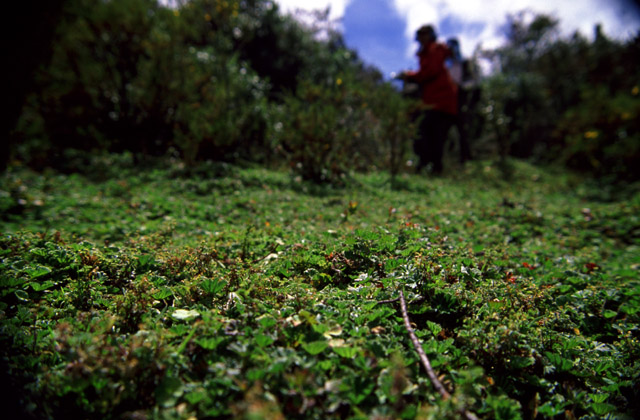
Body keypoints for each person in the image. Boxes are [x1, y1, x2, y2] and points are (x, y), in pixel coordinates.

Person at [398, 25, 458, 174]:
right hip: (433, 102)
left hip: (441, 103)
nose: (420, 39)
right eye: (419, 37)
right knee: (427, 134)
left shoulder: (435, 49)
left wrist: (410, 76)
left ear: (430, 36)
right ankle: (428, 167)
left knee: (430, 135)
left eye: (423, 35)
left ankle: (433, 168)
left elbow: (430, 72)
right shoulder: (426, 53)